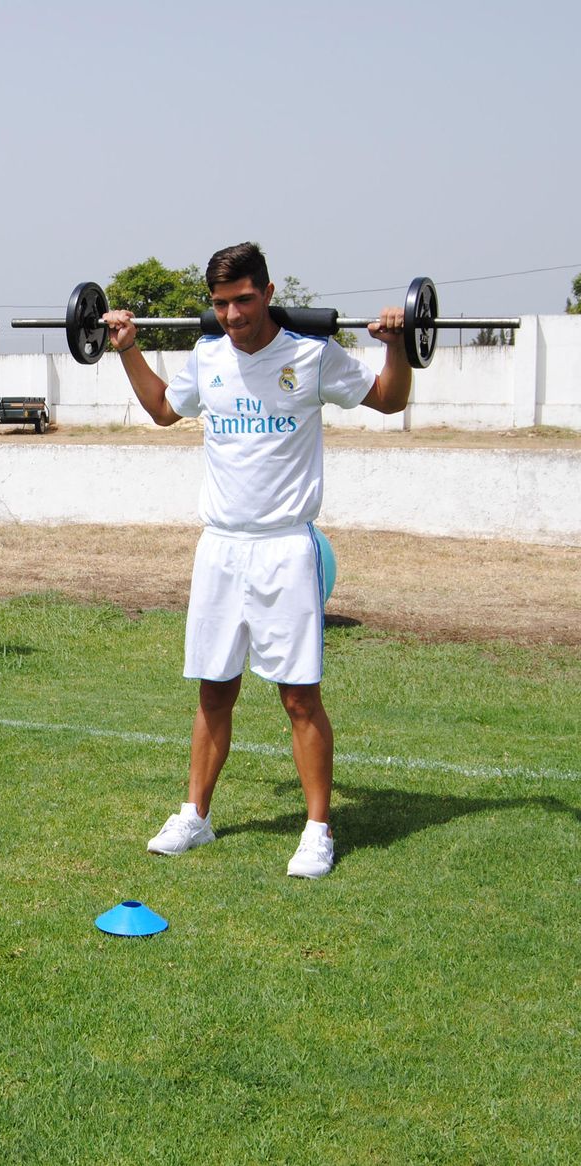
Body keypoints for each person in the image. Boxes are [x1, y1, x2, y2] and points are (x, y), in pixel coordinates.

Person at [103, 242, 412, 879]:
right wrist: (129, 348)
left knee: (299, 698)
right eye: (220, 303)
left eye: (243, 299)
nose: (233, 313)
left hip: (284, 549)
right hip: (219, 547)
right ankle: (196, 815)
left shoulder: (313, 355)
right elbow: (164, 410)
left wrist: (397, 343)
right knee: (214, 690)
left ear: (268, 293)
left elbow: (388, 399)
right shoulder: (206, 356)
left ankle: (317, 829)